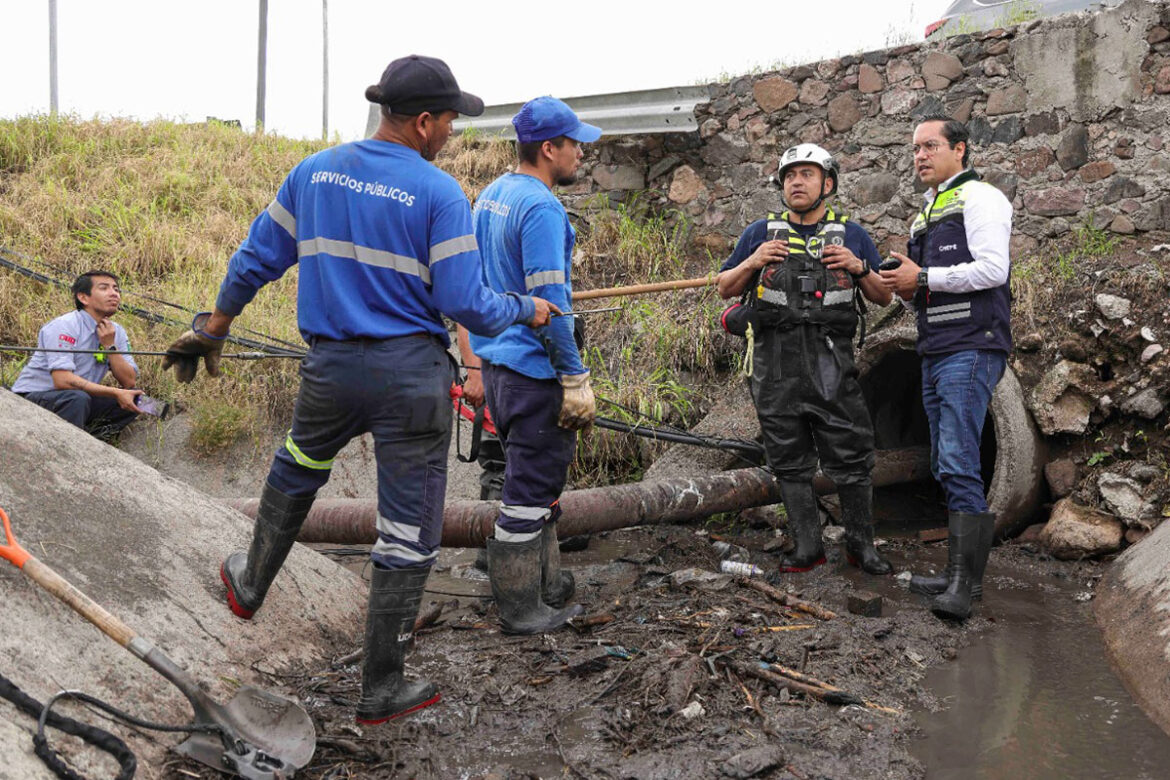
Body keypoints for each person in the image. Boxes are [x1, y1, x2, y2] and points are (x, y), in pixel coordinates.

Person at [161, 55, 558, 724]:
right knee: (409, 526)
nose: (452, 133)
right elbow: (466, 302)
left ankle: (250, 583)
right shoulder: (438, 193)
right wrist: (527, 309)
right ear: (422, 121)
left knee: (299, 463)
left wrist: (214, 327)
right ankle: (382, 689)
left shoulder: (314, 173)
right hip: (411, 378)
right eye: (449, 121)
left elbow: (256, 258)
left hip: (331, 370)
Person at [717, 143, 893, 577]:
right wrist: (753, 260)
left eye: (806, 174)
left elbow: (883, 297)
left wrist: (858, 267)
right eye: (789, 175)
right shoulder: (759, 232)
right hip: (775, 363)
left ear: (827, 184)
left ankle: (861, 547)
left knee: (852, 454)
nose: (796, 182)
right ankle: (807, 548)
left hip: (831, 360)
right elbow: (724, 287)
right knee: (787, 457)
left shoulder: (852, 235)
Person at [460, 96, 600, 634]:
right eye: (575, 144)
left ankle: (547, 584)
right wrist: (573, 375)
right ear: (548, 148)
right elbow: (551, 304)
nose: (581, 153)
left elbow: (477, 286)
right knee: (528, 490)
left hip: (497, 365)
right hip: (532, 368)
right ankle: (521, 610)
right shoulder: (542, 208)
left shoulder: (494, 194)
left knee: (530, 480)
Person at [879, 116, 1012, 622]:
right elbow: (923, 289)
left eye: (930, 146)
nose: (920, 156)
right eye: (915, 148)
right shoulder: (927, 213)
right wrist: (902, 284)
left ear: (960, 149)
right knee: (944, 460)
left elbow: (993, 269)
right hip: (935, 348)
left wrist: (923, 277)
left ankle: (965, 587)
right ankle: (958, 574)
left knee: (958, 458)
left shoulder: (981, 198)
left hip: (972, 346)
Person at [12, 270, 143, 438]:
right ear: (83, 297)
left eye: (116, 289)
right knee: (77, 399)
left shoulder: (116, 331)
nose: (114, 294)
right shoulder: (65, 325)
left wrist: (110, 346)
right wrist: (115, 392)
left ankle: (91, 439)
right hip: (33, 397)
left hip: (79, 399)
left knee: (139, 400)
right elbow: (62, 380)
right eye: (104, 288)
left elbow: (129, 381)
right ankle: (69, 444)